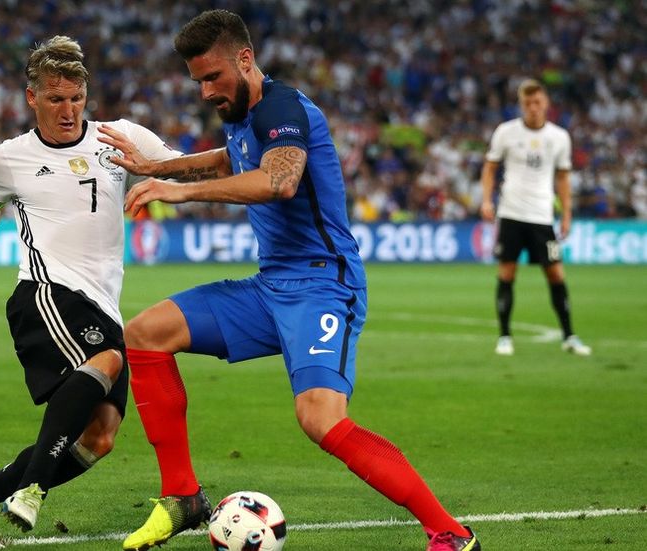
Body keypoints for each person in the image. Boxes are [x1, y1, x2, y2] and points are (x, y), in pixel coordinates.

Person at [97, 10, 481, 551]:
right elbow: (232, 157)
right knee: (146, 332)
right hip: (270, 286)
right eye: (198, 81)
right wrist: (161, 168)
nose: (206, 91)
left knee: (320, 419)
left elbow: (279, 179)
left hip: (325, 285)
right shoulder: (243, 114)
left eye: (213, 77)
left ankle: (452, 534)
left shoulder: (282, 108)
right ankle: (182, 497)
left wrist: (176, 193)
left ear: (246, 59)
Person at [0, 36, 181, 548]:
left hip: (102, 302)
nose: (67, 110)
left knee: (100, 438)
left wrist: (242, 166)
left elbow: (181, 166)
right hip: (45, 293)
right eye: (55, 99)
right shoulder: (6, 160)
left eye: (75, 98)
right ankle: (32, 488)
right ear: (32, 98)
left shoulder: (121, 138)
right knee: (109, 358)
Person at [481, 79, 591, 357]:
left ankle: (569, 335)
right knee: (507, 273)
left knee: (555, 273)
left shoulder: (559, 137)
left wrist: (566, 214)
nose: (533, 107)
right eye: (527, 103)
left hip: (542, 216)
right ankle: (505, 336)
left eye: (537, 102)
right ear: (521, 105)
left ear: (546, 104)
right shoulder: (506, 132)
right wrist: (485, 200)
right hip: (511, 213)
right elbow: (490, 168)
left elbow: (564, 179)